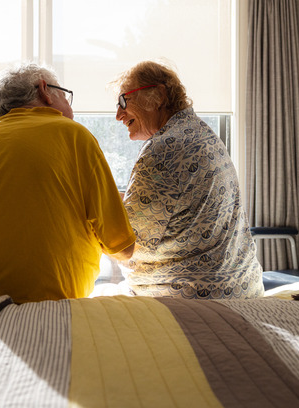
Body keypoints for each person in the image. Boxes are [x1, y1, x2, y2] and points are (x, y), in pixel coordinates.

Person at [0, 63, 136, 303]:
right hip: (46, 302)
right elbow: (122, 249)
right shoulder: (74, 135)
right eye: (65, 96)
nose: (71, 110)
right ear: (44, 90)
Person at [112, 60, 263, 299]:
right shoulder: (200, 133)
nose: (118, 114)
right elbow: (162, 207)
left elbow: (125, 245)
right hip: (243, 290)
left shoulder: (163, 150)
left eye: (123, 101)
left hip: (196, 298)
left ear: (158, 95)